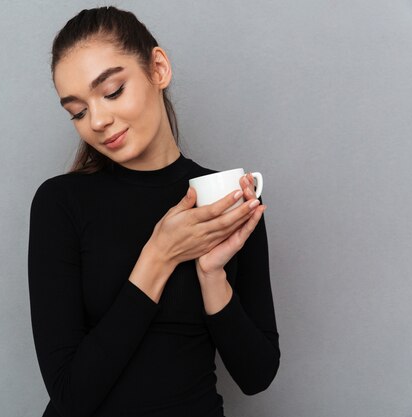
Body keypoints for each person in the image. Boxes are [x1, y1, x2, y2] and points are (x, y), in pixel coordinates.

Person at [28, 6, 280, 417]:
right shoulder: (61, 203)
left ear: (158, 68)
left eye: (112, 91)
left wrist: (212, 275)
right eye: (77, 111)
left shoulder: (228, 198)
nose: (98, 120)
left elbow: (258, 375)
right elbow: (71, 395)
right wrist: (159, 256)